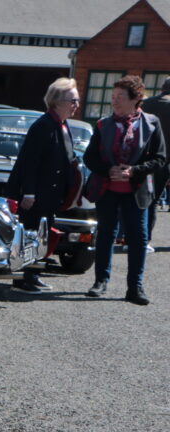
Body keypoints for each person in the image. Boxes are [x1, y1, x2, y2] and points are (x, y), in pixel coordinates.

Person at [84, 75, 166, 305]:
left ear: (135, 99)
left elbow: (160, 158)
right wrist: (108, 169)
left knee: (138, 239)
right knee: (105, 235)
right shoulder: (103, 124)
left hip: (137, 191)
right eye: (113, 96)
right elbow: (90, 158)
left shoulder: (152, 123)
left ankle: (135, 287)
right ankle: (100, 282)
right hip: (107, 189)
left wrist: (134, 171)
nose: (114, 101)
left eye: (120, 96)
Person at [6, 77, 81, 293]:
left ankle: (34, 274)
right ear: (57, 101)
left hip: (51, 194)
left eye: (77, 100)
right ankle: (22, 278)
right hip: (37, 194)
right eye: (72, 100)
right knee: (30, 234)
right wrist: (28, 192)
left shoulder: (62, 125)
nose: (76, 105)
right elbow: (30, 162)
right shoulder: (43, 125)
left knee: (42, 235)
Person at [141, 77, 170, 251]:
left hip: (142, 159)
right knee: (153, 200)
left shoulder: (146, 104)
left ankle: (132, 237)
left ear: (161, 88)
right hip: (164, 161)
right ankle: (144, 240)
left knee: (140, 200)